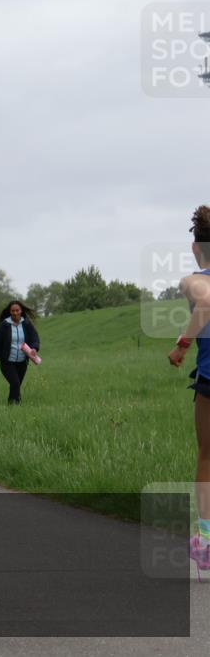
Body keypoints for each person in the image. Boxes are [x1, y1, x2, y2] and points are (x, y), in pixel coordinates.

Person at [167, 204, 210, 578]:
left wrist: (182, 344)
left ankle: (207, 540)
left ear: (196, 249)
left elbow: (206, 302)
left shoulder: (194, 280)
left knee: (207, 456)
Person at [0, 300, 40, 404]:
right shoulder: (4, 325)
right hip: (7, 362)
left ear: (21, 311)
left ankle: (12, 404)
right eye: (12, 311)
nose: (15, 313)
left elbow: (35, 338)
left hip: (22, 361)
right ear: (9, 311)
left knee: (16, 384)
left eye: (17, 310)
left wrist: (34, 348)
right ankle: (16, 404)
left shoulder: (26, 324)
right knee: (15, 383)